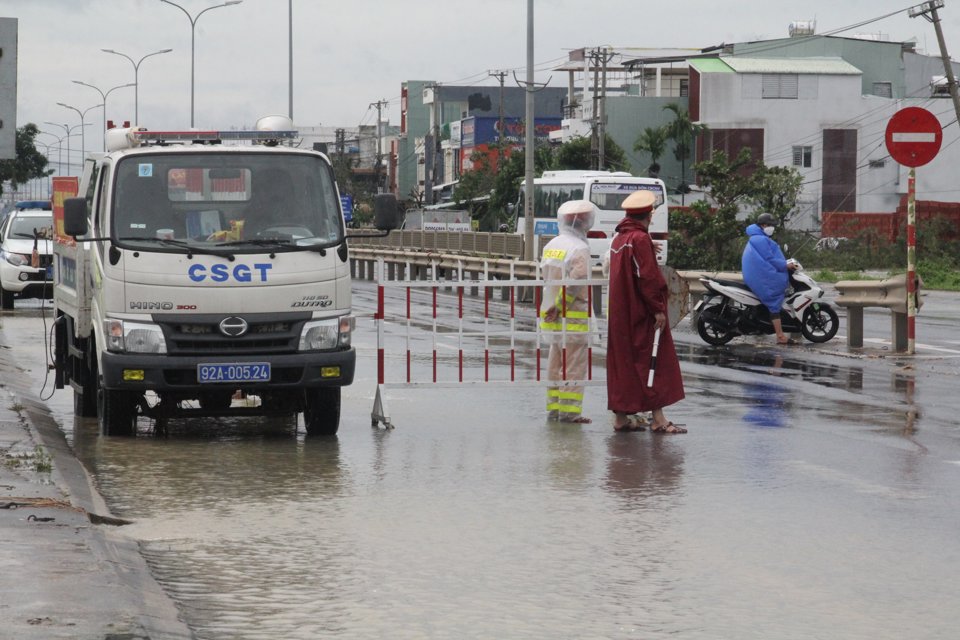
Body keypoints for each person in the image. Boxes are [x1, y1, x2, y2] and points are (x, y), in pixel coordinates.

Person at [606, 189, 686, 433]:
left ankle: (621, 418)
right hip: (640, 313)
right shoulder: (640, 240)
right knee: (654, 361)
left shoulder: (619, 239)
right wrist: (658, 309)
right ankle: (659, 419)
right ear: (649, 215)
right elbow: (648, 278)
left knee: (623, 363)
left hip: (620, 314)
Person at [540, 199, 597, 424]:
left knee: (555, 363)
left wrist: (554, 305)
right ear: (582, 222)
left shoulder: (552, 244)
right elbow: (576, 281)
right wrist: (562, 305)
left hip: (550, 312)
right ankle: (570, 412)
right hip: (571, 315)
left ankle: (554, 408)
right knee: (573, 365)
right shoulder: (579, 248)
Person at [741, 212, 796, 345]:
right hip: (761, 276)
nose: (772, 228)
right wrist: (785, 265)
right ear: (764, 225)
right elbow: (770, 258)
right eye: (771, 225)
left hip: (756, 274)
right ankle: (780, 336)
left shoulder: (757, 238)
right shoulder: (760, 239)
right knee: (774, 299)